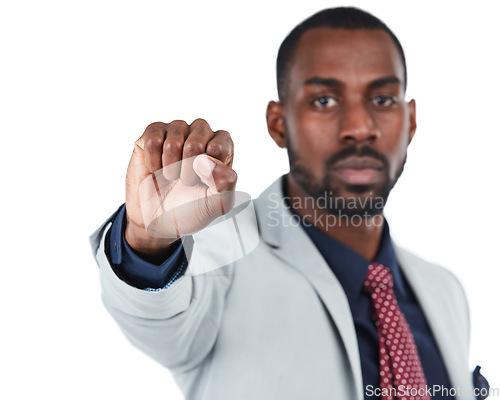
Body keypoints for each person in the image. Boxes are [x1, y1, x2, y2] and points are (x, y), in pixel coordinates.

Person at [90, 7, 488, 400]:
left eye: (383, 99)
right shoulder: (219, 260)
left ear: (410, 121)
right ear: (279, 124)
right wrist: (148, 240)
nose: (359, 128)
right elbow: (156, 317)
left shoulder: (445, 291)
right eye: (324, 101)